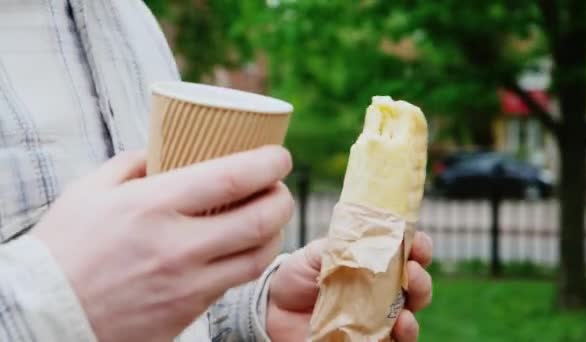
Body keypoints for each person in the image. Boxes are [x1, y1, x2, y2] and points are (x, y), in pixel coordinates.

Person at [0, 1, 433, 341]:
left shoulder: (132, 20)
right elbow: (81, 294)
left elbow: (149, 300)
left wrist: (255, 312)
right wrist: (56, 303)